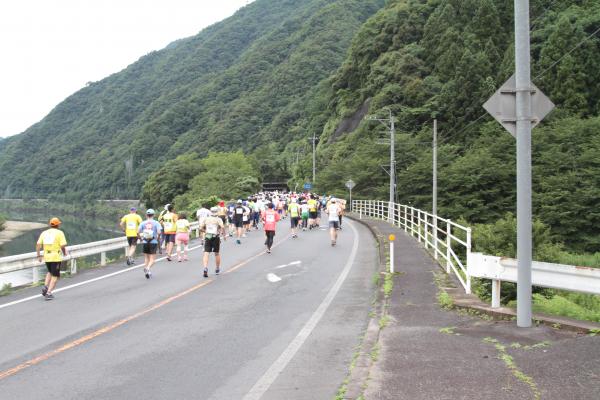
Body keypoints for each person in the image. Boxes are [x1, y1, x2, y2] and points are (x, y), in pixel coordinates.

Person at [36, 218, 68, 300]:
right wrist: (64, 253)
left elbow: (38, 244)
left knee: (50, 271)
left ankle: (45, 286)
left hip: (47, 256)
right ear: (58, 225)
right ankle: (49, 293)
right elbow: (63, 245)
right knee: (55, 275)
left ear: (50, 224)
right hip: (55, 257)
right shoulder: (59, 233)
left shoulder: (44, 233)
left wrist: (39, 256)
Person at [199, 207, 225, 277]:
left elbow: (201, 228)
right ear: (217, 212)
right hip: (215, 237)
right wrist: (224, 235)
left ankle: (205, 268)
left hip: (208, 236)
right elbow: (222, 227)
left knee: (206, 253)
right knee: (216, 253)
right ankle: (217, 268)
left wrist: (205, 231)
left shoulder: (206, 219)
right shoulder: (218, 219)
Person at [138, 209, 162, 279]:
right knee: (152, 259)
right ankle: (148, 268)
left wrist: (140, 239)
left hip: (145, 242)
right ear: (153, 215)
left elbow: (137, 232)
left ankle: (147, 271)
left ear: (146, 215)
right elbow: (159, 232)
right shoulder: (156, 223)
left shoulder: (143, 223)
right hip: (153, 242)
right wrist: (157, 238)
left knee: (146, 258)